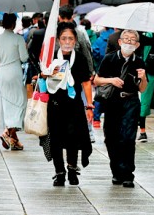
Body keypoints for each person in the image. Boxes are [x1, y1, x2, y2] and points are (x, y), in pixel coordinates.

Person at [44, 22, 95, 187]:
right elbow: (41, 77)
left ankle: (72, 170)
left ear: (75, 41)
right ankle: (59, 173)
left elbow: (86, 83)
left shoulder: (79, 58)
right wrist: (47, 73)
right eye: (64, 38)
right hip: (55, 105)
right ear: (58, 40)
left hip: (74, 105)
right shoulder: (51, 58)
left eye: (70, 39)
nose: (67, 42)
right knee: (56, 140)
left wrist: (90, 106)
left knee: (73, 139)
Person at [95, 29, 147, 187]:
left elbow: (143, 89)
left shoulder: (138, 61)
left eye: (132, 40)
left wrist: (143, 77)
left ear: (137, 45)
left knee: (128, 138)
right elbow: (97, 80)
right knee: (111, 137)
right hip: (112, 102)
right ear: (119, 42)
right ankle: (116, 171)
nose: (129, 42)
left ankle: (128, 174)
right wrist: (111, 80)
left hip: (130, 101)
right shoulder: (109, 59)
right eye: (126, 39)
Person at [0, 13, 29, 150]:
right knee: (20, 102)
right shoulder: (18, 38)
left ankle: (13, 137)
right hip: (14, 71)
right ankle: (8, 132)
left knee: (7, 102)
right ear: (14, 24)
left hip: (1, 71)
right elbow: (24, 58)